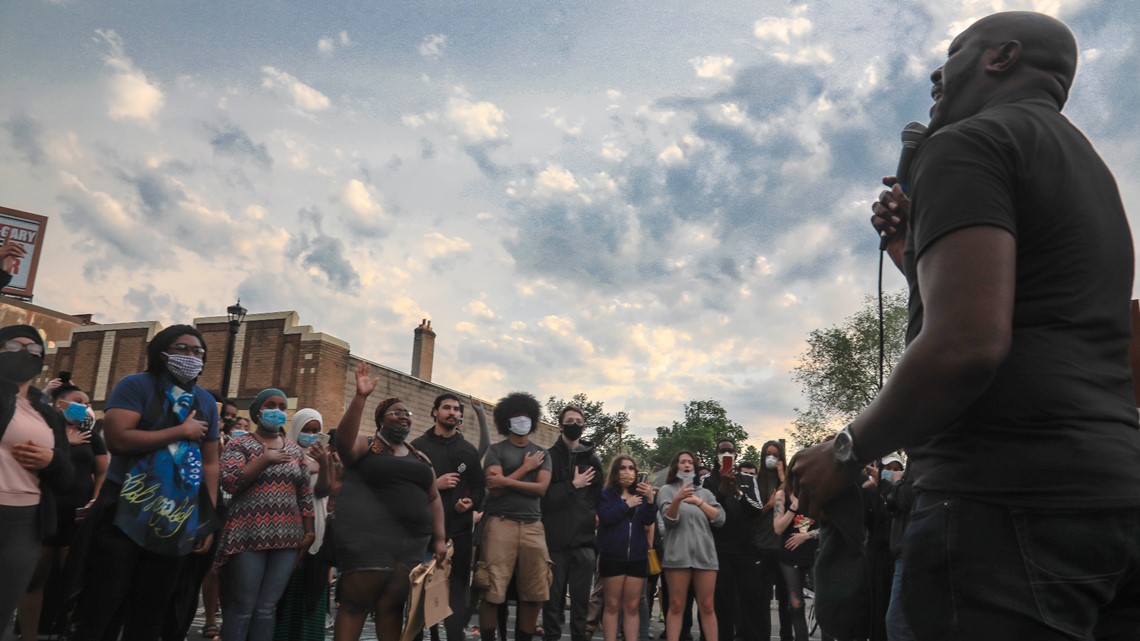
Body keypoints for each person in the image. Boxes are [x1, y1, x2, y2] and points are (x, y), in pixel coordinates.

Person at [791, 11, 1140, 640]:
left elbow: (966, 345)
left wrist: (846, 451)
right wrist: (912, 261)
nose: (935, 72)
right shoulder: (1090, 169)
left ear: (1001, 57)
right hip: (1111, 506)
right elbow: (1025, 312)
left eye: (953, 52)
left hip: (1002, 507)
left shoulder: (968, 142)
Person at [74, 324, 220, 641]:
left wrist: (206, 519)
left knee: (152, 609)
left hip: (175, 517)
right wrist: (180, 432)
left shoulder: (205, 401)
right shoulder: (135, 386)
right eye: (182, 349)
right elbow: (118, 439)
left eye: (198, 352)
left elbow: (211, 463)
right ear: (161, 352)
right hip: (124, 513)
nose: (191, 356)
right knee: (103, 605)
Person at [333, 362, 447, 641]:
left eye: (407, 414)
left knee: (391, 607)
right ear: (381, 418)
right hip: (367, 542)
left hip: (409, 549)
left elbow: (433, 498)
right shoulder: (366, 446)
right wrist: (360, 397)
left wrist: (440, 539)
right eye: (396, 412)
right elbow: (343, 443)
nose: (404, 417)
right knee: (354, 606)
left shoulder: (420, 458)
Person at [215, 389, 315, 641]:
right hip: (248, 534)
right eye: (271, 405)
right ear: (258, 411)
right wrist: (265, 459)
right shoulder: (239, 444)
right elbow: (230, 482)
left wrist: (310, 530)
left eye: (282, 406)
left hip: (287, 537)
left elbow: (304, 493)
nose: (278, 411)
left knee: (267, 608)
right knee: (242, 607)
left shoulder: (294, 451)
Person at [0, 325, 74, 633]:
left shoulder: (47, 414)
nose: (25, 354)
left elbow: (67, 477)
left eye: (34, 351)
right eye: (15, 346)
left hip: (25, 523)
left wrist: (51, 460)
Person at [17, 385, 105, 640]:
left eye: (87, 402)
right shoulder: (44, 429)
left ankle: (63, 629)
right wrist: (66, 442)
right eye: (78, 400)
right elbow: (31, 456)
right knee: (36, 578)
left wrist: (95, 500)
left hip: (77, 516)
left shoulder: (91, 435)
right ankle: (30, 633)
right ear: (59, 404)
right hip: (46, 513)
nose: (85, 406)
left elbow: (101, 471)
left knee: (71, 577)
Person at [477, 392, 553, 641]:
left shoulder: (542, 452)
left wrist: (506, 479)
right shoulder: (496, 450)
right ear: (505, 421)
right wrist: (525, 469)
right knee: (491, 589)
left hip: (533, 526)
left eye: (527, 416)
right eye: (517, 416)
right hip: (500, 523)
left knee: (535, 591)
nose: (523, 420)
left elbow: (540, 489)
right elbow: (494, 489)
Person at [411, 393, 486, 641]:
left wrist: (471, 502)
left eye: (456, 409)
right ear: (435, 412)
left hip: (459, 533)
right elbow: (406, 488)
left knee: (456, 593)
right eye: (446, 408)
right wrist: (436, 484)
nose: (452, 412)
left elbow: (478, 485)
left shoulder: (467, 451)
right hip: (423, 533)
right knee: (420, 594)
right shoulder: (418, 447)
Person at [541, 405, 604, 641]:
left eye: (579, 421)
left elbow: (598, 497)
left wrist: (594, 516)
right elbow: (543, 497)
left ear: (584, 426)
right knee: (552, 603)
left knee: (580, 604)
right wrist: (572, 485)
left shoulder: (593, 460)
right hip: (555, 543)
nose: (574, 424)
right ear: (560, 425)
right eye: (569, 420)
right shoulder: (548, 456)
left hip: (584, 543)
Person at [273, 408, 335, 641]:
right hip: (286, 532)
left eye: (315, 431)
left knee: (311, 590)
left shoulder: (320, 458)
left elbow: (323, 491)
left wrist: (324, 464)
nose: (310, 435)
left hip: (315, 534)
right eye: (306, 430)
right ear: (296, 429)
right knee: (283, 594)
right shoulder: (283, 455)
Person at [657, 451, 723, 641]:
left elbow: (720, 519)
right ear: (675, 467)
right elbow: (669, 520)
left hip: (705, 556)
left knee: (708, 606)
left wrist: (699, 502)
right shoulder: (666, 490)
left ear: (694, 468)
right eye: (682, 462)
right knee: (677, 605)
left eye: (690, 463)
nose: (686, 465)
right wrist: (677, 499)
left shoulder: (705, 493)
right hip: (677, 557)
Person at [596, 455, 657, 641]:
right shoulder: (606, 494)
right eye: (623, 468)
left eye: (631, 468)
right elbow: (606, 517)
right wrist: (626, 505)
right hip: (612, 556)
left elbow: (648, 521)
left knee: (632, 606)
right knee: (612, 605)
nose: (627, 472)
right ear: (615, 472)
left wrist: (650, 500)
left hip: (637, 558)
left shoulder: (640, 494)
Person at [772, 483, 818, 641]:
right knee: (796, 605)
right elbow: (778, 528)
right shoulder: (782, 495)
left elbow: (829, 526)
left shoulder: (819, 491)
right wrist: (793, 508)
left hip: (815, 556)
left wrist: (806, 536)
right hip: (790, 558)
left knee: (823, 605)